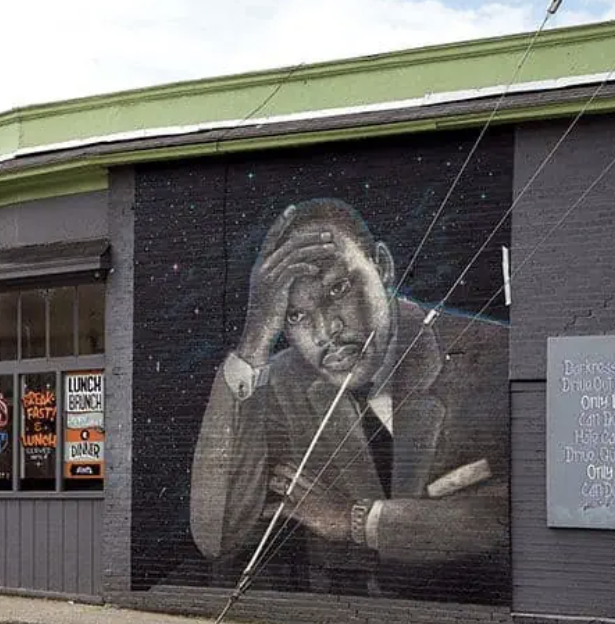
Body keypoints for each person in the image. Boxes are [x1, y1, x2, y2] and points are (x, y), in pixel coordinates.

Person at [189, 198, 509, 602]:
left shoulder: (492, 356)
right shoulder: (275, 387)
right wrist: (253, 343)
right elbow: (217, 536)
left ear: (383, 266)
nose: (327, 330)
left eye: (338, 289)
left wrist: (355, 520)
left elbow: (512, 517)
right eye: (294, 316)